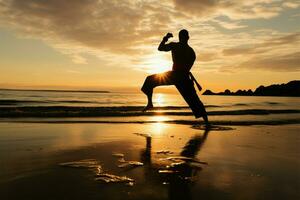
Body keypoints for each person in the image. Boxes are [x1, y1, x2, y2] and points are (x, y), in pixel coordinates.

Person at [141, 29, 209, 126]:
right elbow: (161, 49)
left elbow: (160, 48)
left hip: (177, 75)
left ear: (181, 37)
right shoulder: (190, 51)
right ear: (188, 38)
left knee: (150, 80)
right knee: (195, 101)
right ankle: (207, 122)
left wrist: (165, 39)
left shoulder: (178, 47)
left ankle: (150, 103)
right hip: (182, 77)